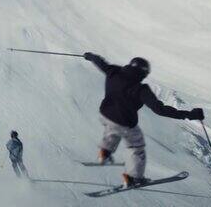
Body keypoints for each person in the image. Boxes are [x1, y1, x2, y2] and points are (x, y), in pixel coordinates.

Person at [83, 53, 204, 188]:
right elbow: (160, 110)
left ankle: (104, 153)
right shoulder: (141, 89)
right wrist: (190, 114)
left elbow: (100, 62)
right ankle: (133, 179)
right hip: (125, 123)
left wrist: (90, 56)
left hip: (105, 114)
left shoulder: (113, 71)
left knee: (112, 130)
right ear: (143, 73)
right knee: (136, 148)